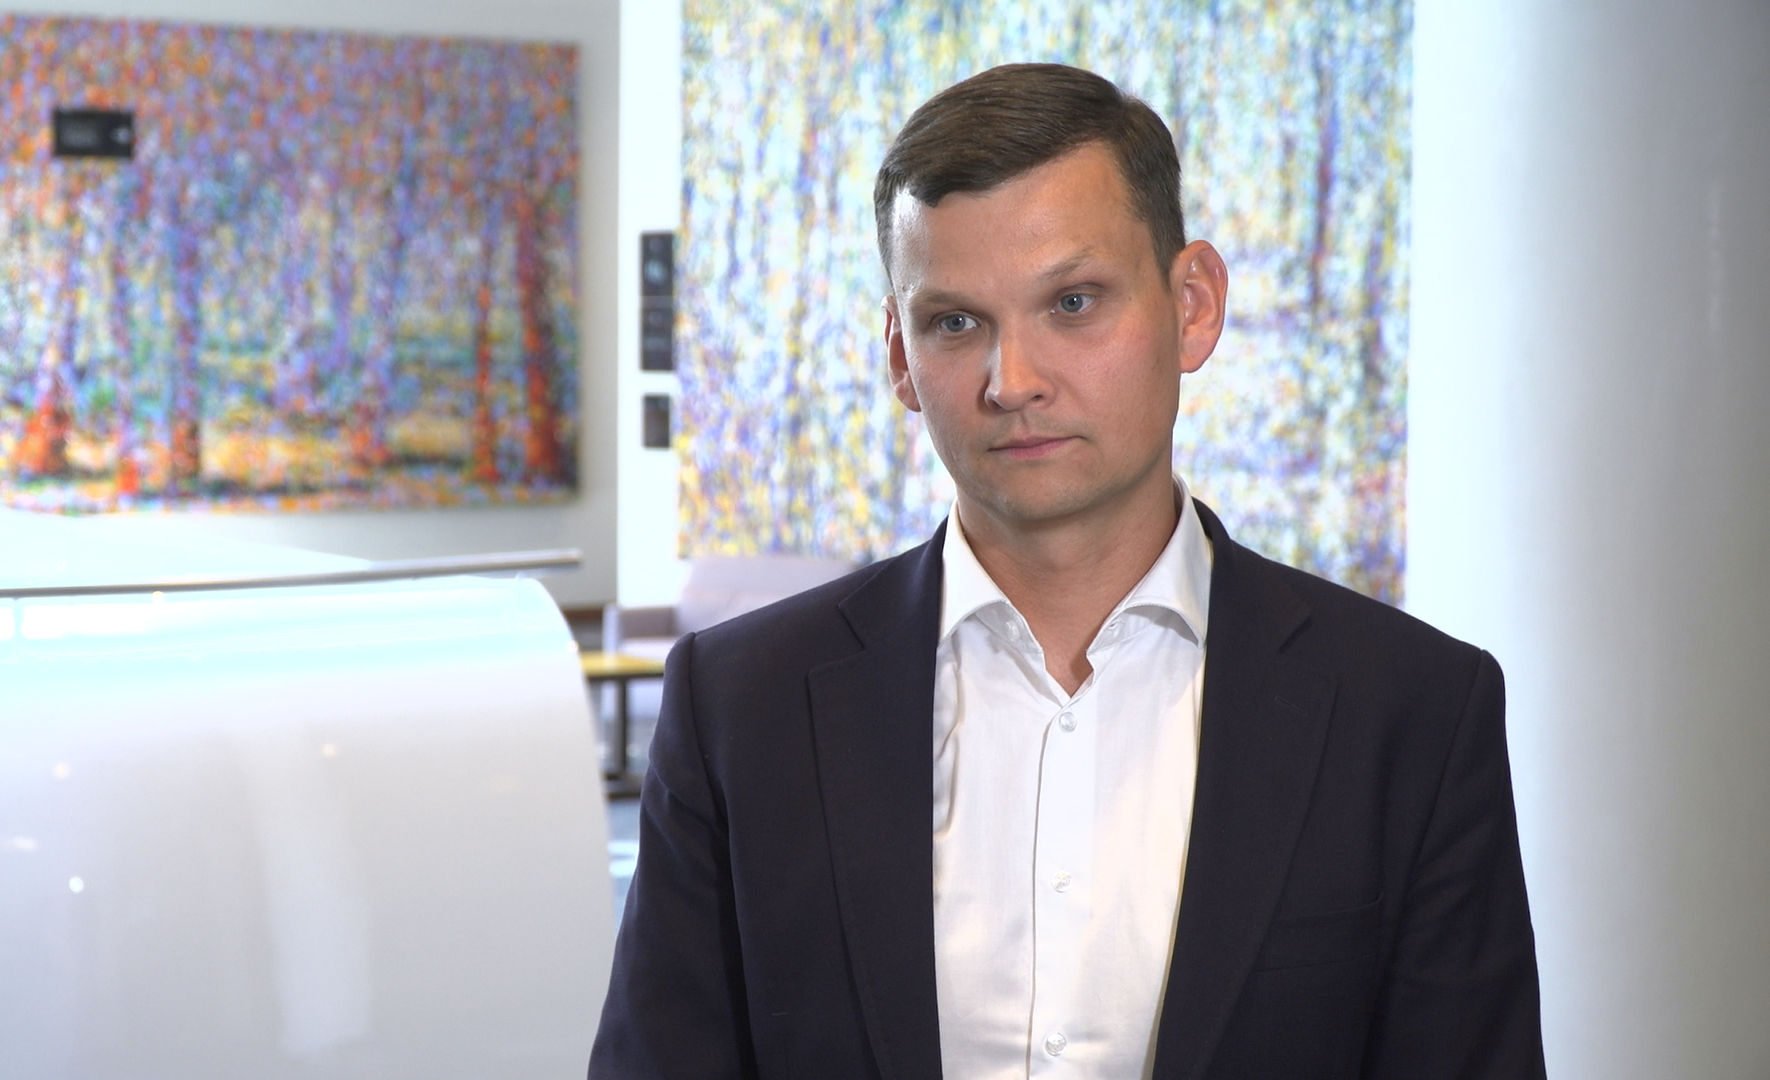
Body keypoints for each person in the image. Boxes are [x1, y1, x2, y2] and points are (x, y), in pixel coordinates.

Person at [590, 62, 1543, 1079]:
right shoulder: (742, 705)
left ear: (1194, 305)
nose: (1014, 383)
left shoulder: (1413, 710)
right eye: (956, 323)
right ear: (901, 358)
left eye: (1073, 302)